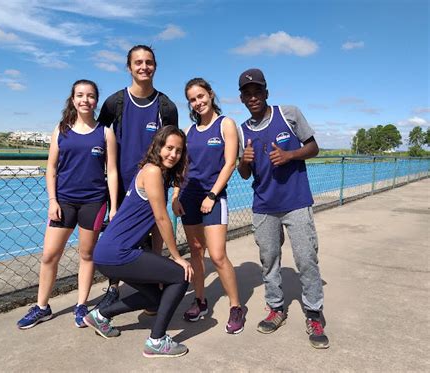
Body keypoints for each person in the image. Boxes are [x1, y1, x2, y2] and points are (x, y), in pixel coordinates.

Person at [236, 68, 329, 349]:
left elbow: (313, 148)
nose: (253, 97)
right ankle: (276, 308)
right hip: (264, 206)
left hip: (296, 202)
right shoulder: (242, 131)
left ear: (266, 92)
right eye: (247, 93)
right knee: (269, 261)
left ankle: (314, 313)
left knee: (306, 259)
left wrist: (290, 155)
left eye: (257, 91)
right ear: (242, 98)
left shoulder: (289, 114)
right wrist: (245, 161)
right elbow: (243, 173)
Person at [83, 126, 193, 358]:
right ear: (158, 146)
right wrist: (176, 258)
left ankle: (100, 316)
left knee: (154, 296)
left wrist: (158, 261)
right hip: (118, 252)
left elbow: (153, 222)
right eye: (169, 148)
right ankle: (157, 341)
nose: (173, 154)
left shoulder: (155, 173)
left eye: (179, 150)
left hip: (108, 252)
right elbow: (162, 218)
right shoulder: (152, 171)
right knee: (181, 275)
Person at [17, 79, 118, 329]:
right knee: (50, 255)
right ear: (73, 99)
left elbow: (112, 172)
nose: (85, 100)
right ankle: (42, 306)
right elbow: (51, 168)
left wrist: (114, 207)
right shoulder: (61, 129)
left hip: (93, 203)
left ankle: (81, 305)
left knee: (86, 254)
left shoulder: (105, 132)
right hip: (63, 202)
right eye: (80, 95)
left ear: (96, 100)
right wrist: (52, 200)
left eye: (91, 96)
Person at [96, 45, 178, 309]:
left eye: (149, 62)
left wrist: (175, 187)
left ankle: (155, 281)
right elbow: (100, 139)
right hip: (121, 185)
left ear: (155, 66)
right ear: (129, 67)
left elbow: (173, 147)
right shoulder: (114, 103)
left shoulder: (166, 106)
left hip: (153, 183)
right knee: (119, 237)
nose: (144, 67)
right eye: (138, 62)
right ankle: (113, 287)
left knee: (155, 230)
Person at [172, 78, 245, 334]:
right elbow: (183, 168)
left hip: (212, 198)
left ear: (211, 95)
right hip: (189, 197)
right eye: (193, 99)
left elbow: (230, 163)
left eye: (201, 96)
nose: (198, 102)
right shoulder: (190, 131)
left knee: (217, 255)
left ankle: (236, 307)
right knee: (195, 251)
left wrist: (212, 195)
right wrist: (176, 195)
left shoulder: (225, 124)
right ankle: (200, 301)